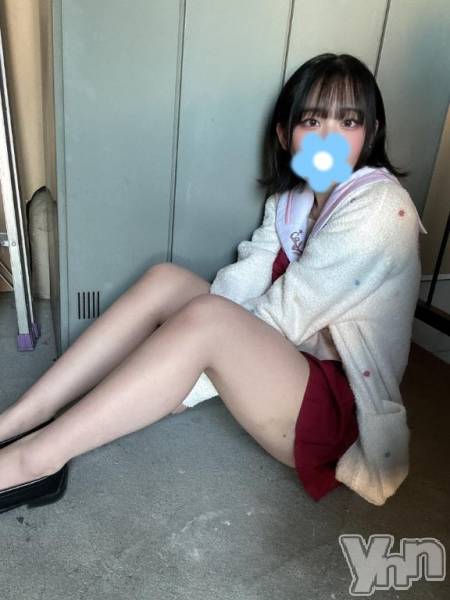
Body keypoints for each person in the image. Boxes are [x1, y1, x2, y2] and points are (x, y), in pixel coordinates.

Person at [0, 53, 426, 512]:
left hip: (338, 413)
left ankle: (35, 460)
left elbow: (286, 315)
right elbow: (246, 280)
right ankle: (23, 418)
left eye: (348, 122)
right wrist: (183, 348)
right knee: (167, 280)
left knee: (209, 319)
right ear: (285, 135)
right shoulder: (293, 199)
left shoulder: (381, 208)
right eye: (312, 120)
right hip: (288, 365)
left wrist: (184, 385)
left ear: (371, 133)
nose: (329, 137)